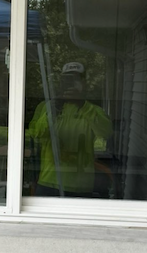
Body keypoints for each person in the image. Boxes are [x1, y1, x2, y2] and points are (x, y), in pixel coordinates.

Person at [26, 61, 112, 198]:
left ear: (84, 84)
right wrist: (54, 109)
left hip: (81, 186)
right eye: (67, 80)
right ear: (60, 83)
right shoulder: (45, 107)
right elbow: (36, 134)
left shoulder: (93, 110)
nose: (71, 84)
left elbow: (106, 132)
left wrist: (82, 105)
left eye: (76, 80)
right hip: (49, 182)